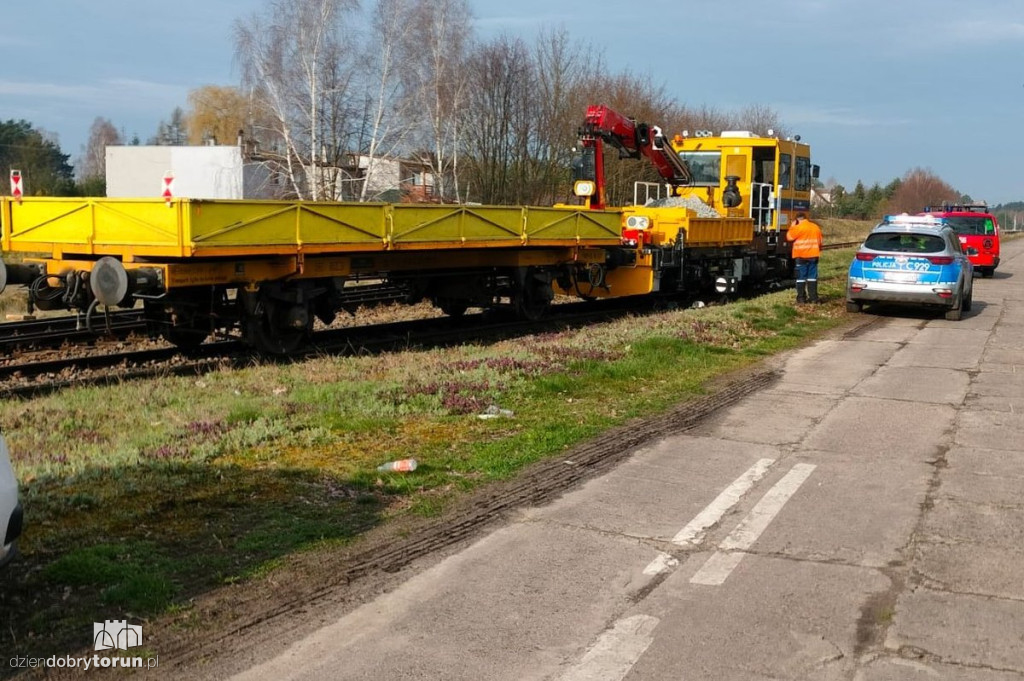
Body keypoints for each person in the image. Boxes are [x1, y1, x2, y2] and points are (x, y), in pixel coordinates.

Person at [786, 212, 823, 303]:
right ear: (806, 218)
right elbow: (820, 242)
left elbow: (789, 237)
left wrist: (792, 226)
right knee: (812, 277)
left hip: (801, 256)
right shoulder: (815, 227)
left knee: (800, 277)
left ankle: (801, 298)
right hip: (813, 255)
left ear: (797, 220)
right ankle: (813, 298)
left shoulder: (798, 228)